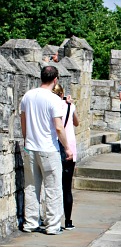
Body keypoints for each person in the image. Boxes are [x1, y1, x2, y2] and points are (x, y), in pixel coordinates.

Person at [20, 65, 72, 235]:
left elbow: (23, 122)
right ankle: (52, 225)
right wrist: (67, 147)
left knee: (31, 186)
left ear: (40, 77)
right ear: (55, 79)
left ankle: (30, 222)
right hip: (48, 148)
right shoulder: (54, 100)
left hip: (31, 147)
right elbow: (58, 128)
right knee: (53, 188)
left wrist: (27, 140)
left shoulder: (27, 96)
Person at [53, 84, 78, 230]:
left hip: (55, 146)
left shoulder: (51, 107)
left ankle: (53, 220)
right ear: (62, 93)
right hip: (70, 147)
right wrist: (71, 105)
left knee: (53, 186)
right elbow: (76, 122)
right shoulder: (69, 106)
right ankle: (68, 221)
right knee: (66, 187)